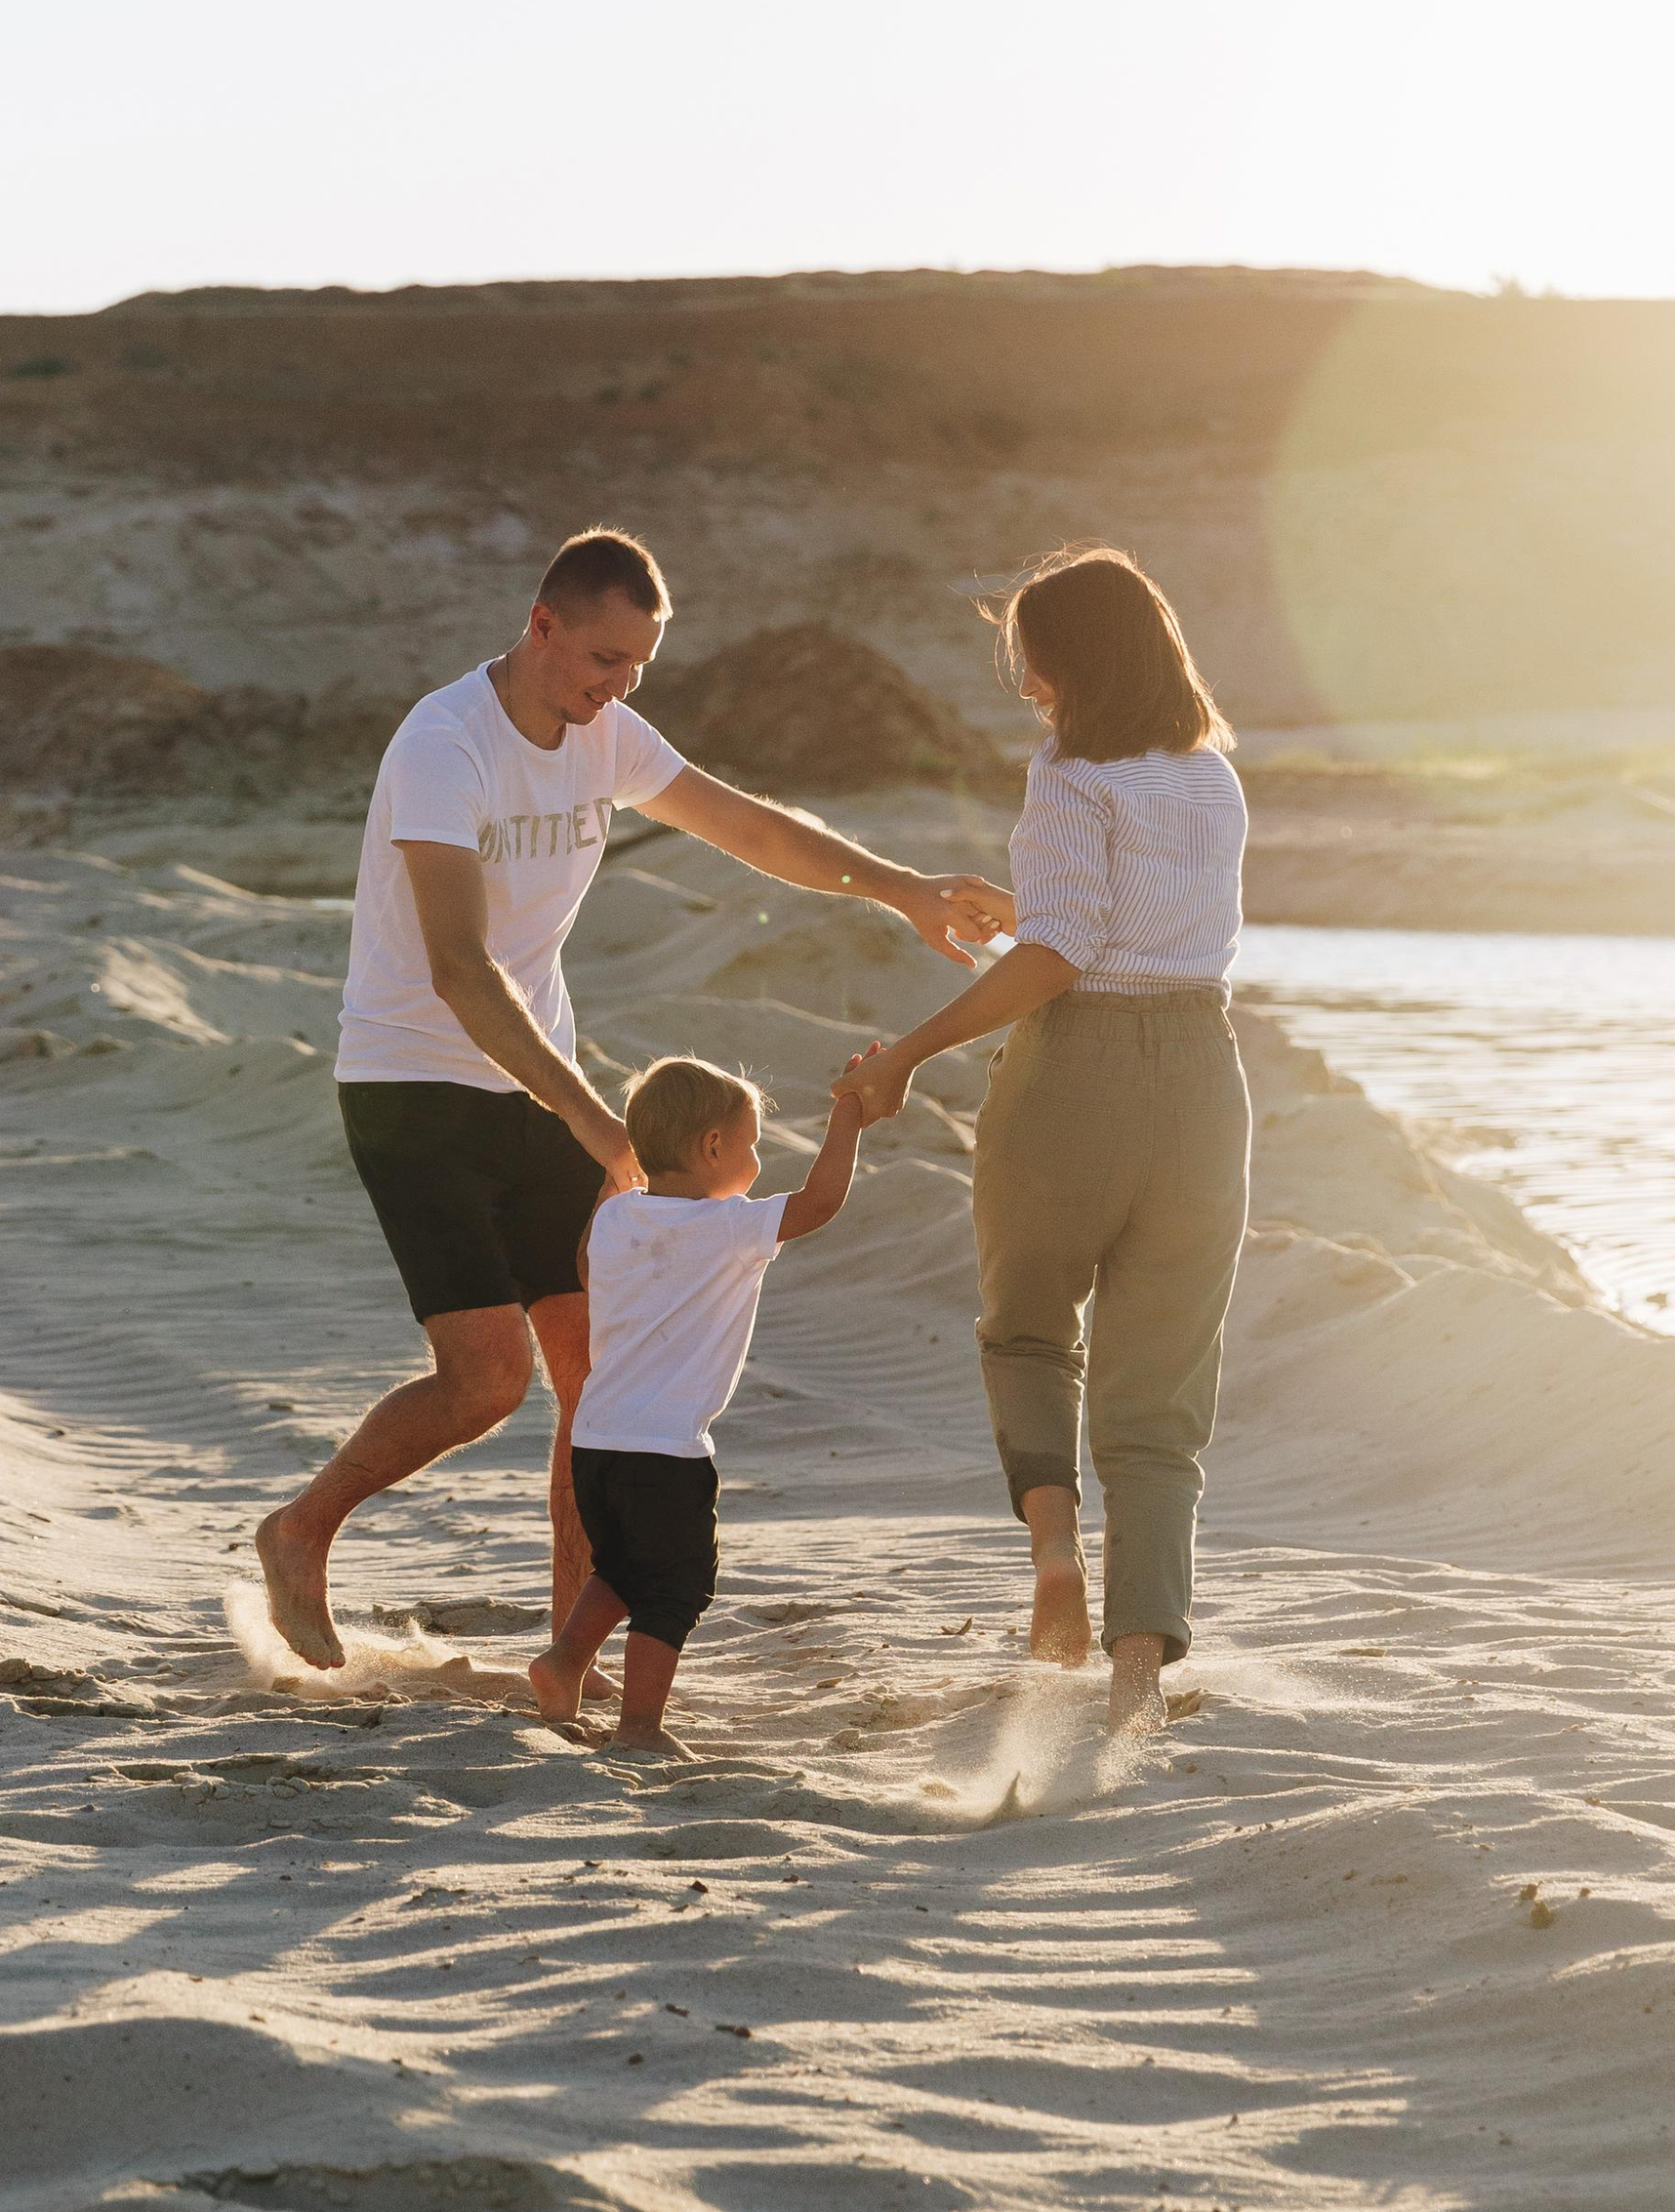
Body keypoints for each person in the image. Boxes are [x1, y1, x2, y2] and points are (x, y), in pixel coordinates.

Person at [256, 527, 1004, 1669]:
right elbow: (459, 968)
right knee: (487, 1380)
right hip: (414, 1084)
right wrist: (591, 1119)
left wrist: (905, 891)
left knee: (597, 1384)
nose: (617, 688)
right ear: (542, 625)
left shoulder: (606, 737)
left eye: (639, 668)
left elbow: (746, 823)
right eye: (604, 659)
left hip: (537, 1076)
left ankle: (571, 1649)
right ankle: (300, 1529)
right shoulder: (442, 743)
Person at [839, 546, 1250, 1734]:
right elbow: (1137, 927)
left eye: (1034, 661)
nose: (1026, 685)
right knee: (1161, 1385)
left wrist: (909, 1051)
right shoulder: (1210, 777)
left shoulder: (1070, 776)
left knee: (1026, 1327)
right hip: (1202, 1084)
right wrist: (1020, 913)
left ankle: (1056, 1565)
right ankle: (1135, 1675)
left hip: (1075, 1076)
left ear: (1073, 664)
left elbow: (1068, 956)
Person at [528, 1050, 873, 1753]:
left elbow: (588, 1266)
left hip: (596, 1441)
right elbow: (821, 1203)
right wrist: (850, 1119)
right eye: (751, 1142)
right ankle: (639, 1727)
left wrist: (612, 1182)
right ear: (712, 1147)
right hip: (665, 1451)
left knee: (621, 1568)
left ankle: (563, 1664)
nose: (755, 1157)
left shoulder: (620, 1217)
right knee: (673, 1588)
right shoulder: (730, 1228)